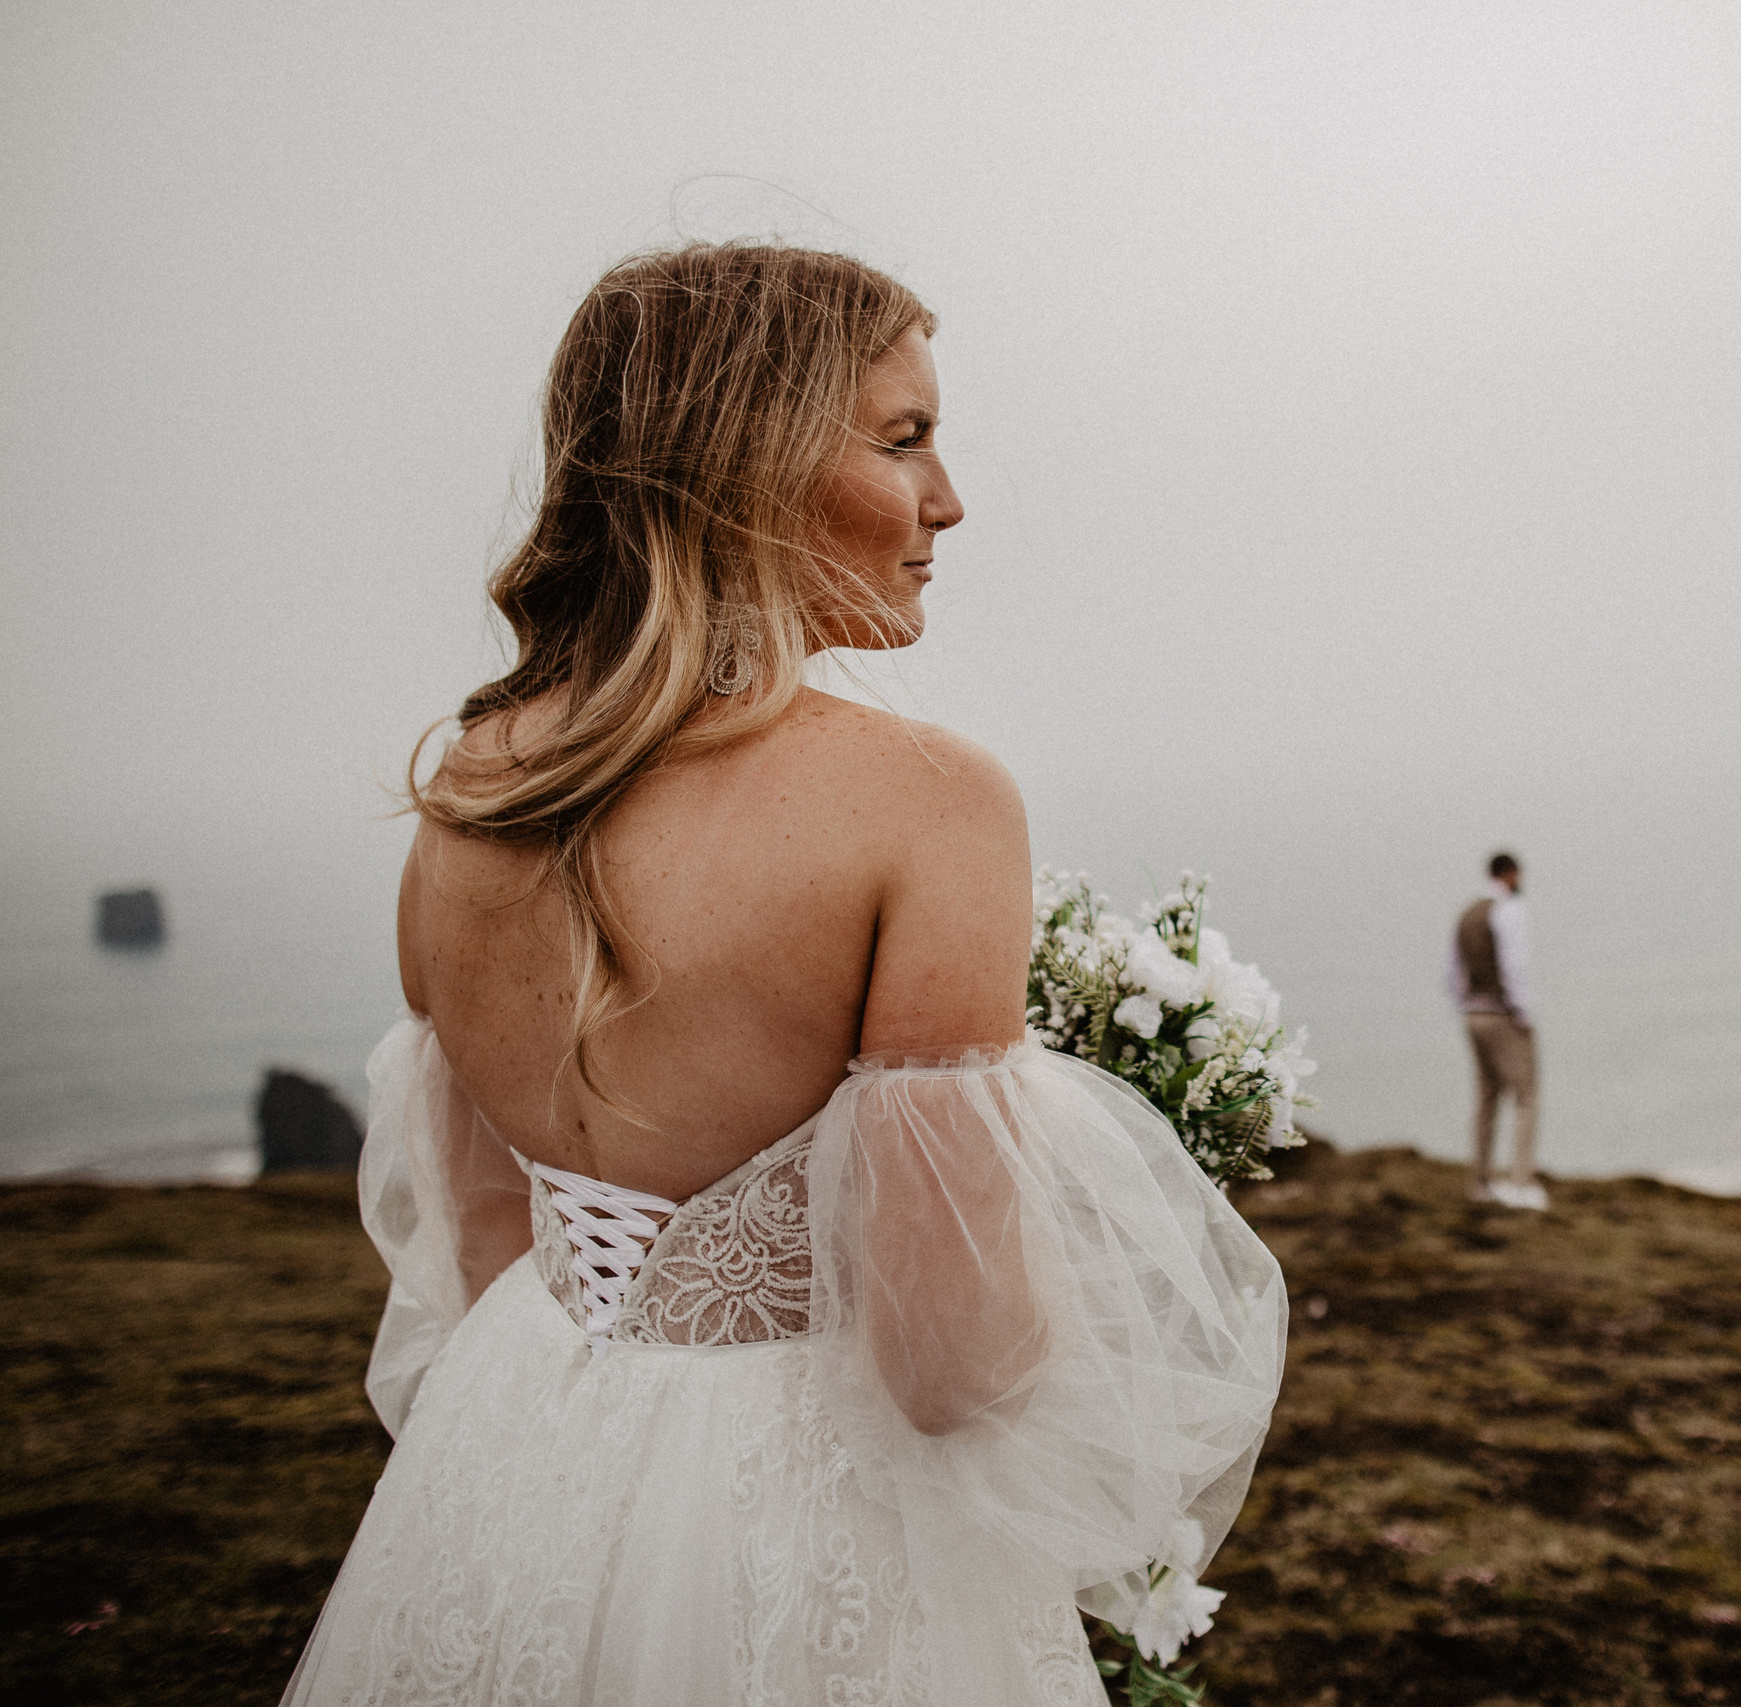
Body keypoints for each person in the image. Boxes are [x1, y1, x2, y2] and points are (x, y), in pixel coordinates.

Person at [281, 245, 1286, 1706]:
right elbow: (953, 1367)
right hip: (807, 1542)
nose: (948, 498)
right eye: (904, 438)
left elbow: (485, 1244)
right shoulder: (928, 802)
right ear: (742, 462)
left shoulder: (469, 793)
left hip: (504, 1479)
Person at [1446, 851, 1545, 1211]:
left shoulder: (1466, 913)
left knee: (1487, 1096)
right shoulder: (1509, 910)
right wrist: (1524, 1015)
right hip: (1501, 1013)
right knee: (1527, 1095)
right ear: (1511, 873)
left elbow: (1451, 975)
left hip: (1472, 1014)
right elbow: (1514, 966)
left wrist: (1465, 1005)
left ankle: (1480, 1180)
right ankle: (1520, 1182)